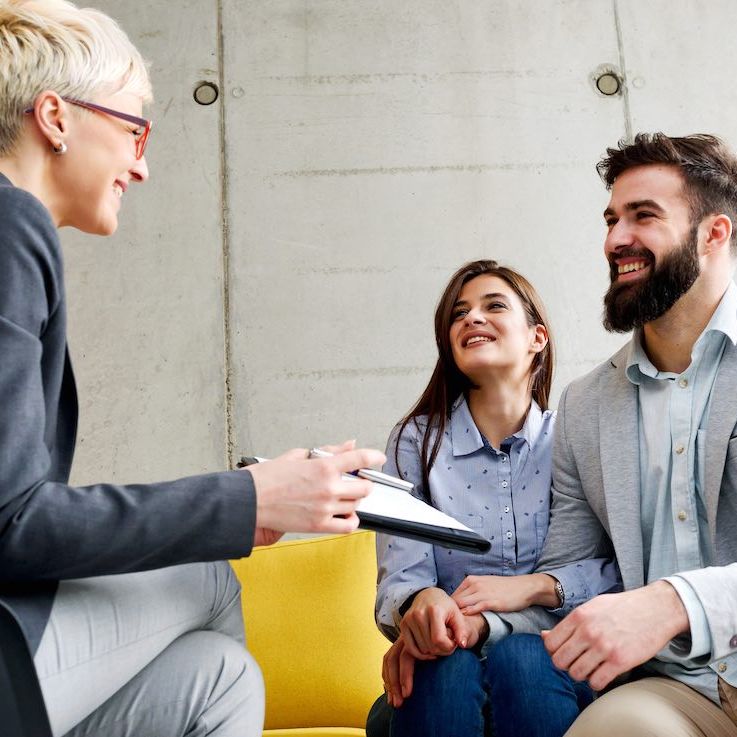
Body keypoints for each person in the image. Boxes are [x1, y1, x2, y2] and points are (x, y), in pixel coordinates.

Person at [0, 2, 384, 736]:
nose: (141, 165)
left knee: (219, 677)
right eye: (133, 129)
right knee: (210, 577)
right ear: (54, 117)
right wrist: (246, 498)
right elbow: (11, 520)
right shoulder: (11, 224)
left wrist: (248, 506)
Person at [496, 133, 737, 736]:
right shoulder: (584, 406)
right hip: (679, 690)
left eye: (643, 216)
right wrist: (467, 622)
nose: (615, 240)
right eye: (611, 220)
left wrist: (674, 602)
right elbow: (572, 573)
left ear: (714, 233)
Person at [365, 260, 619, 737]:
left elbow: (616, 575)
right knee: (444, 667)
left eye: (494, 306)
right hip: (448, 665)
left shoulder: (575, 436)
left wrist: (534, 588)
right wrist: (422, 603)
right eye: (459, 313)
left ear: (537, 338)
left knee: (523, 657)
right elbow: (401, 576)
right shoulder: (414, 441)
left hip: (553, 670)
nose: (472, 318)